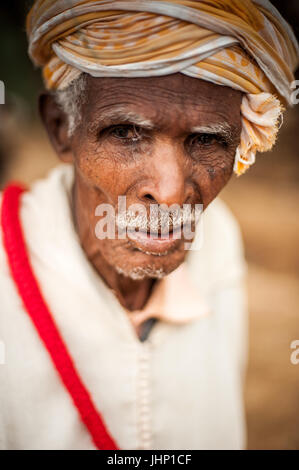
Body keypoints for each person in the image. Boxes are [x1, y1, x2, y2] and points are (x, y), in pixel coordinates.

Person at [0, 0, 298, 450]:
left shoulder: (219, 243)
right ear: (62, 130)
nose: (172, 192)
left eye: (207, 140)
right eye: (126, 134)